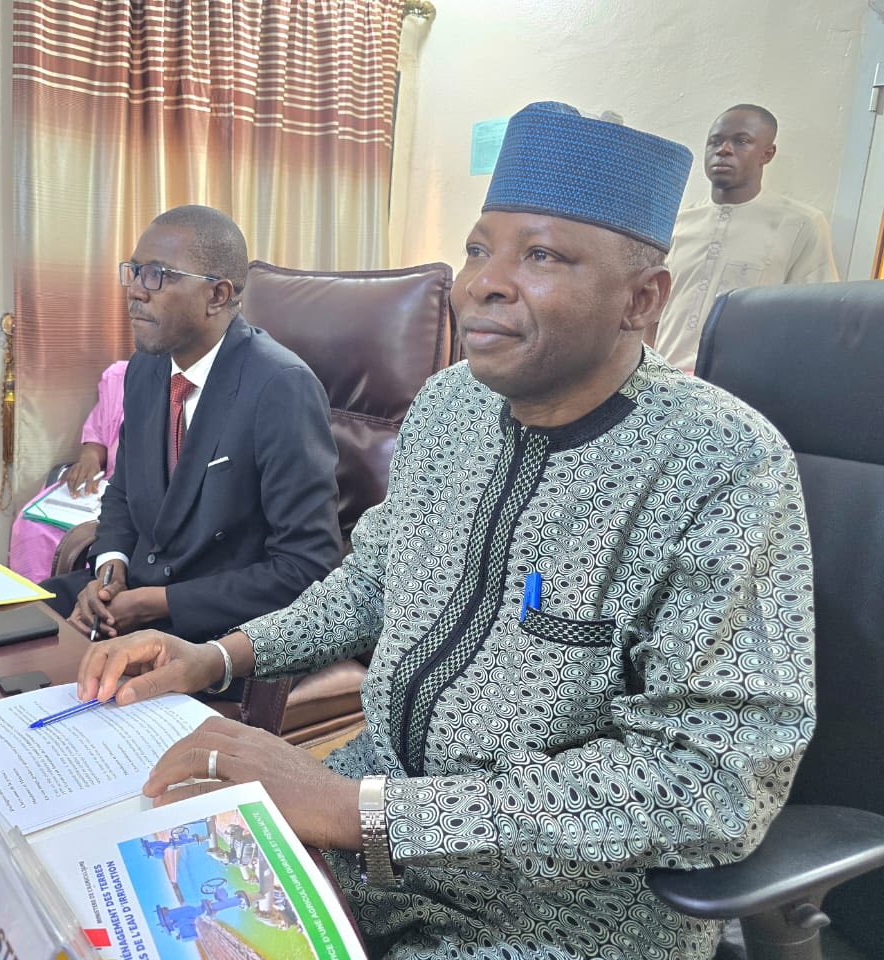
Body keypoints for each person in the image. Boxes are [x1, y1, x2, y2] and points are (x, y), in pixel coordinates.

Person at [76, 103, 816, 960]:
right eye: (476, 249)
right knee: (122, 895)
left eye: (540, 256)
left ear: (642, 300)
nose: (481, 285)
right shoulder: (447, 406)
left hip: (559, 908)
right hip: (364, 813)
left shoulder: (722, 462)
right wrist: (216, 656)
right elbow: (371, 584)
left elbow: (711, 780)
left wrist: (368, 814)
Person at [42, 204, 342, 646]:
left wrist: (159, 603)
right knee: (10, 629)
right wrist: (109, 570)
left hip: (210, 624)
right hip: (132, 597)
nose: (135, 291)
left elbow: (306, 566)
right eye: (134, 271)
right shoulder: (146, 368)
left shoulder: (281, 387)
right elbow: (123, 492)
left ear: (217, 296)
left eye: (157, 275)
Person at [653, 103, 838, 372]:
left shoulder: (800, 225)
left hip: (742, 387)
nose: (724, 150)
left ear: (767, 154)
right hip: (664, 381)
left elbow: (817, 321)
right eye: (715, 141)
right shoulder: (677, 222)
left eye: (741, 141)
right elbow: (648, 312)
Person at [8, 359, 127, 583]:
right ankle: (34, 598)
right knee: (32, 523)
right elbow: (98, 434)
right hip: (104, 486)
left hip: (135, 496)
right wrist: (89, 458)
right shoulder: (120, 376)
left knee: (90, 542)